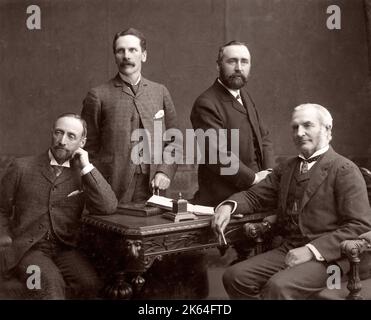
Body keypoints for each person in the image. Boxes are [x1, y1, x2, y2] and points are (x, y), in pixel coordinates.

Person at [213, 103, 371, 299]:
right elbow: (255, 196)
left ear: (327, 129)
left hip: (334, 259)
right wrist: (228, 206)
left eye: (307, 125)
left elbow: (360, 225)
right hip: (290, 248)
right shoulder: (287, 167)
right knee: (235, 276)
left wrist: (311, 250)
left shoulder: (344, 169)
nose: (300, 132)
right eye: (295, 127)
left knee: (279, 287)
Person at [0, 113, 118, 299]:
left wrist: (86, 166)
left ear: (82, 142)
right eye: (58, 133)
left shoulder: (83, 173)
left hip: (65, 249)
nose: (62, 140)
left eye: (71, 136)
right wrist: (4, 239)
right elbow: (1, 209)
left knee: (90, 284)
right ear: (52, 134)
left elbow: (108, 206)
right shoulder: (22, 167)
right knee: (50, 286)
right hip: (28, 251)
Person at [81, 28, 178, 204]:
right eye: (121, 51)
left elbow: (175, 140)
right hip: (112, 188)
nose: (126, 56)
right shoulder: (98, 95)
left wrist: (164, 171)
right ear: (115, 56)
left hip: (154, 186)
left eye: (133, 50)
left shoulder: (160, 92)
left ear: (144, 55)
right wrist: (99, 186)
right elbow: (88, 148)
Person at [190, 40, 275, 206]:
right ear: (218, 65)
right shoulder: (206, 103)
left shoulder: (245, 96)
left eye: (244, 61)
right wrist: (255, 178)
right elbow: (217, 155)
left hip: (255, 194)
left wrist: (269, 174)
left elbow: (264, 138)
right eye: (232, 61)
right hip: (223, 199)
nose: (239, 68)